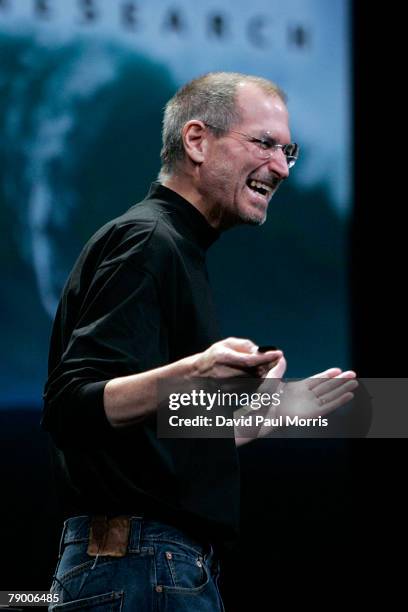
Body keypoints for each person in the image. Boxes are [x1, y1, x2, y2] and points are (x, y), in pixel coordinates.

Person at [42, 72, 357, 611]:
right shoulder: (149, 240)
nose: (281, 168)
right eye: (264, 144)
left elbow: (144, 434)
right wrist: (195, 372)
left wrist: (251, 421)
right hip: (139, 566)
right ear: (196, 141)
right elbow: (70, 406)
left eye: (289, 151)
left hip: (144, 565)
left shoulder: (174, 246)